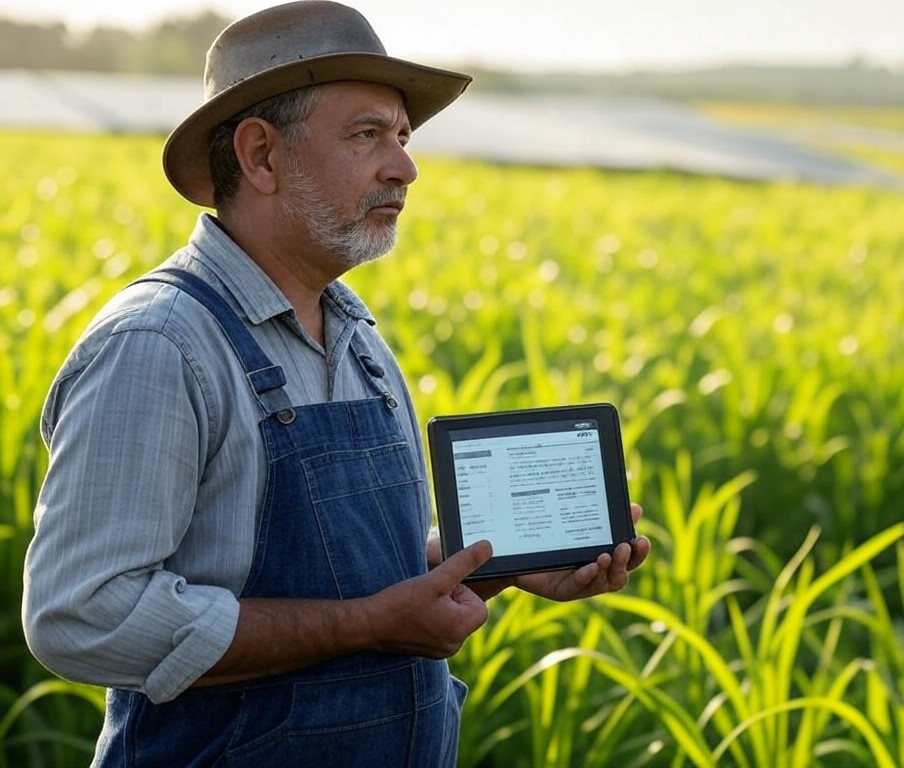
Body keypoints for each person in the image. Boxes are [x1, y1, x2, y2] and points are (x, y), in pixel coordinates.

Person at [21, 2, 651, 766]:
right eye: (367, 135)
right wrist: (368, 626)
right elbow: (80, 614)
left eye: (403, 137)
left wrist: (490, 568)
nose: (405, 167)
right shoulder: (158, 344)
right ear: (261, 156)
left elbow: (358, 582)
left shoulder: (358, 340)